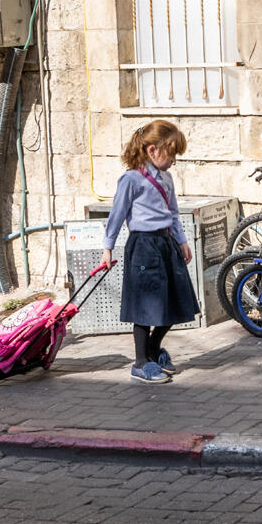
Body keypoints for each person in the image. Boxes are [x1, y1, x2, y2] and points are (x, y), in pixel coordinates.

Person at [101, 120, 199, 384]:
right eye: (171, 153)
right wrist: (107, 248)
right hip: (143, 247)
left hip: (166, 244)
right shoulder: (131, 179)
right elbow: (117, 215)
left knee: (176, 302)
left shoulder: (166, 179)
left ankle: (154, 350)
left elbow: (174, 213)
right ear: (153, 150)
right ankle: (141, 363)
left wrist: (181, 240)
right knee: (146, 309)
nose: (174, 161)